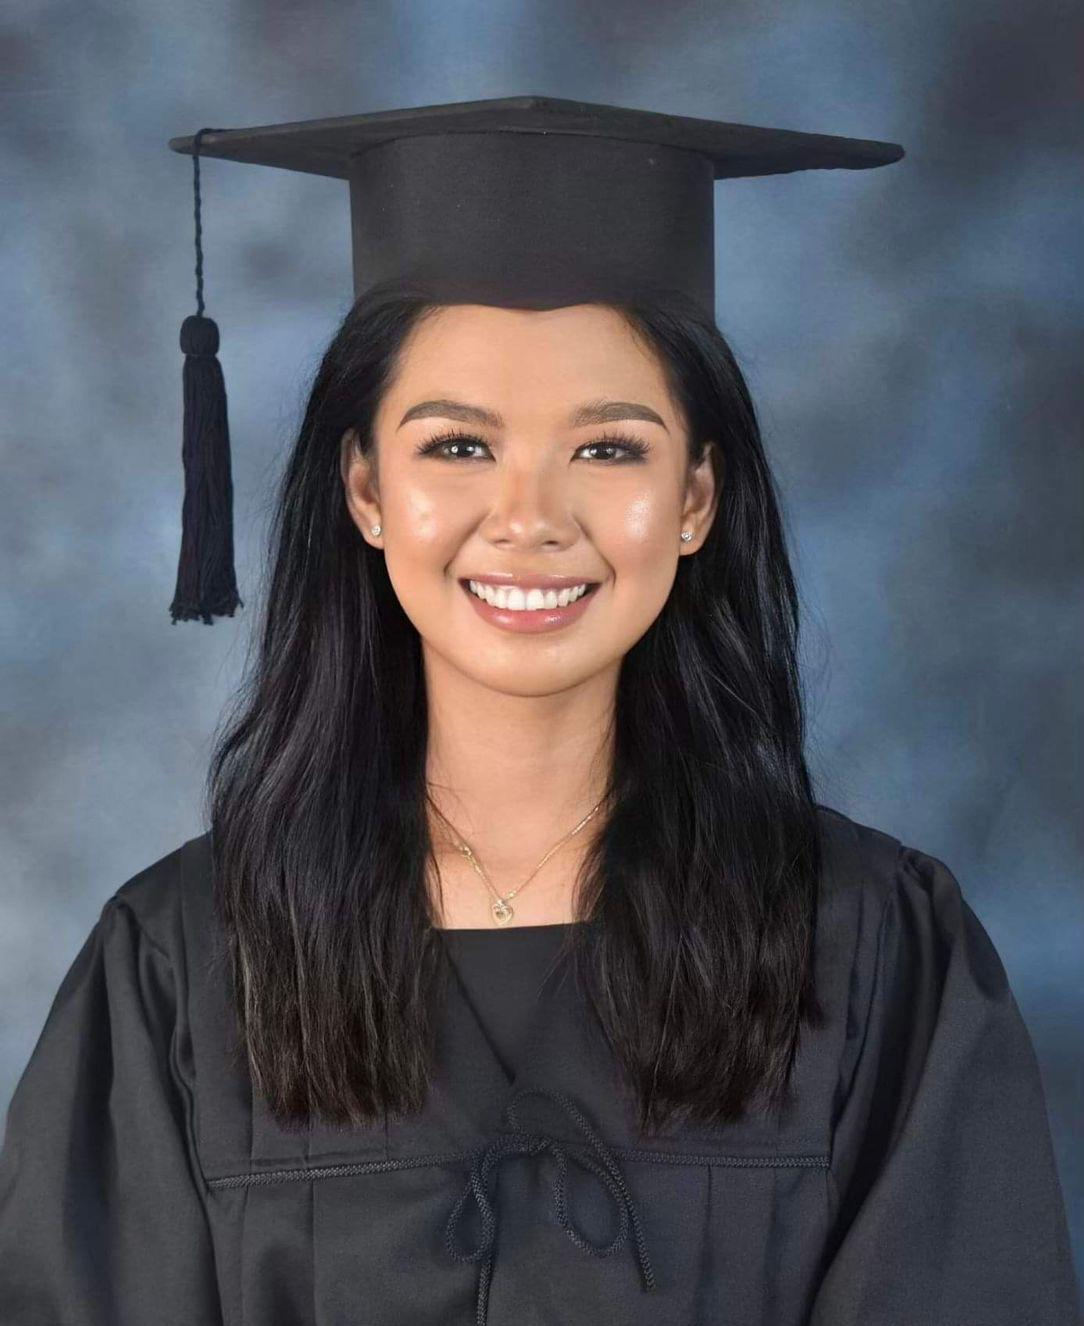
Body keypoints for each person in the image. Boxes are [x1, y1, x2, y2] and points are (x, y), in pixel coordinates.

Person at [0, 97, 1079, 1325]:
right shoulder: (182, 964)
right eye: (457, 447)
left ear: (696, 499)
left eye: (608, 450)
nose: (529, 519)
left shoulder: (872, 949)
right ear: (364, 490)